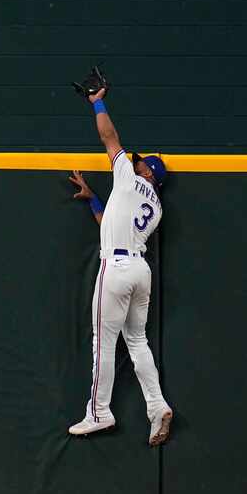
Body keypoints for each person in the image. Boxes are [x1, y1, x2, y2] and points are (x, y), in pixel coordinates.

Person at [67, 87, 173, 446]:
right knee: (137, 340)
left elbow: (108, 136)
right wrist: (94, 198)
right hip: (140, 271)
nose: (136, 160)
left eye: (142, 161)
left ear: (147, 170)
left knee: (104, 342)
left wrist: (98, 101)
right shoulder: (156, 206)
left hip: (116, 267)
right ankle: (157, 406)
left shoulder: (128, 176)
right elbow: (113, 224)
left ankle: (99, 412)